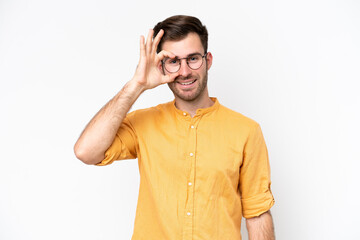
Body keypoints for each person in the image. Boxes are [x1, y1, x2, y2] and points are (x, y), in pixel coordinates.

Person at [74, 15, 275, 240]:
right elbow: (86, 151)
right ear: (161, 66)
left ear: (208, 60)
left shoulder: (246, 131)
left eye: (193, 59)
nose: (184, 71)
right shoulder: (143, 124)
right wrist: (136, 85)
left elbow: (257, 214)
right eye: (174, 61)